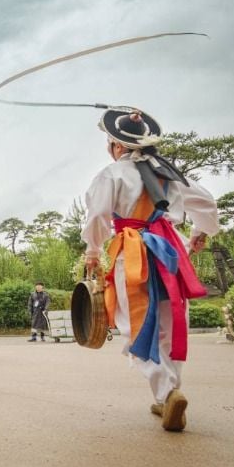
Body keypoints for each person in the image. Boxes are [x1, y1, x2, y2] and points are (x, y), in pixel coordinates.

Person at [82, 107, 218, 432]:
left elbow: (98, 215)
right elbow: (208, 204)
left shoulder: (112, 174)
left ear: (117, 145)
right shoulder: (170, 173)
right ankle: (168, 394)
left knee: (136, 326)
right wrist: (199, 233)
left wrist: (92, 250)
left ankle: (167, 393)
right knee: (171, 322)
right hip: (171, 248)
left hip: (132, 251)